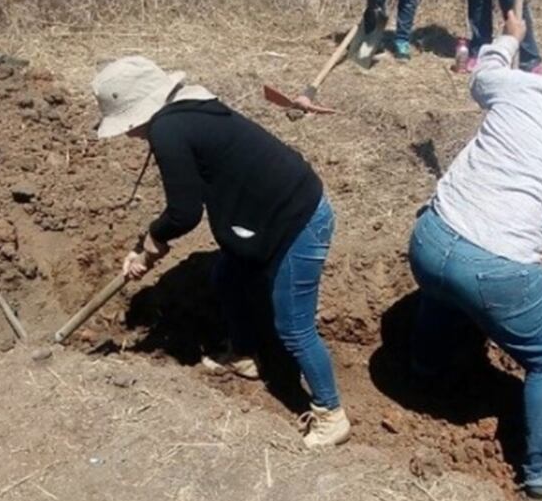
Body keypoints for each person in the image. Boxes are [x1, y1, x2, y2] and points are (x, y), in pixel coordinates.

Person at [406, 11, 542, 498]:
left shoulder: (525, 88)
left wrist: (509, 38)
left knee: (442, 291)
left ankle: (423, 369)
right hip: (497, 267)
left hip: (430, 238)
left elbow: (482, 77)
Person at [92, 56, 349, 449]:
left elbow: (184, 212)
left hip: (298, 221)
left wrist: (146, 249)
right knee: (227, 276)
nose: (127, 134)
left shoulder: (169, 130)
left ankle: (331, 414)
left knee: (294, 326)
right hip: (268, 215)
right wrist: (147, 244)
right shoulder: (188, 109)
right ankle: (244, 355)